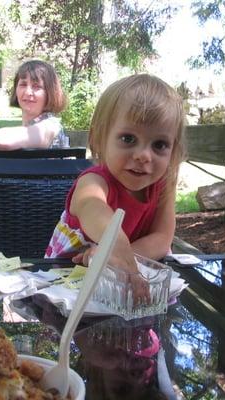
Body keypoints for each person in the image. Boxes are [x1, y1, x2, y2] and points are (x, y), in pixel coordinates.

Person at [45, 74, 187, 276]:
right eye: (128, 139)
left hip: (122, 283)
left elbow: (162, 238)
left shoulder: (163, 185)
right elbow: (93, 208)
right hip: (65, 285)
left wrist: (114, 258)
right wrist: (115, 245)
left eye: (159, 145)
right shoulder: (93, 182)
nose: (144, 155)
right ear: (98, 138)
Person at [0, 59, 68, 150]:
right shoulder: (27, 130)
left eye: (36, 86)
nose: (28, 92)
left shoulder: (51, 126)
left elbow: (1, 140)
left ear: (50, 93)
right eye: (23, 84)